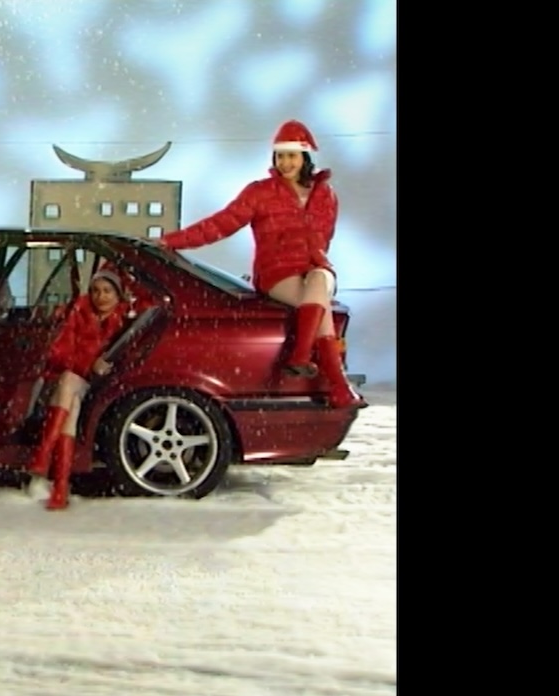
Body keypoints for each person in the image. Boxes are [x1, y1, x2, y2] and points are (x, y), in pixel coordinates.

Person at [154, 119, 365, 409]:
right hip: (277, 273)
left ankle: (302, 357)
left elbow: (324, 238)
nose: (285, 162)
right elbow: (220, 224)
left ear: (305, 157)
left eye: (291, 155)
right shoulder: (259, 192)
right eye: (280, 155)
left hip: (316, 269)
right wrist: (173, 241)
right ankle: (336, 383)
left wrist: (311, 262)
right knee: (319, 299)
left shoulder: (325, 195)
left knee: (319, 280)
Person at [27, 261, 131, 510]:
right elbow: (59, 354)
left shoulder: (123, 322)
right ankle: (61, 487)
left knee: (69, 386)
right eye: (96, 290)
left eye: (107, 291)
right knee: (70, 401)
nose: (101, 297)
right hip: (71, 380)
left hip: (97, 387)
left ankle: (44, 458)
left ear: (118, 294)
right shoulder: (78, 313)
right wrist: (87, 363)